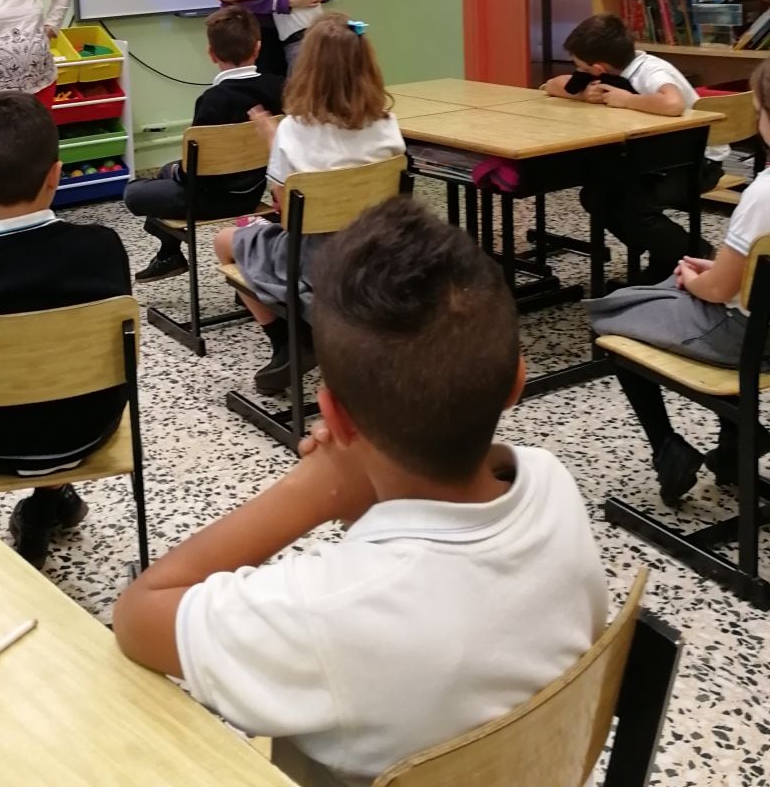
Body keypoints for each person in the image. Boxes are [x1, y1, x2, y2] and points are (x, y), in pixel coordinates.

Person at [115, 198, 608, 787]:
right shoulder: (551, 481)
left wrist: (313, 489)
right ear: (517, 381)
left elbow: (138, 615)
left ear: (334, 418)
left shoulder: (324, 612)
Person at [0, 92, 131, 570]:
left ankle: (40, 509)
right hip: (90, 427)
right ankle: (49, 500)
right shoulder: (103, 247)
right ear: (57, 175)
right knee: (51, 385)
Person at [586, 57, 770, 506]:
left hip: (746, 337)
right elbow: (746, 274)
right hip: (760, 315)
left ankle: (670, 448)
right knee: (660, 292)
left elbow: (719, 292)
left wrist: (693, 278)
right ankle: (734, 448)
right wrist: (727, 273)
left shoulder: (762, 194)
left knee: (611, 313)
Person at [214, 14, 405, 393]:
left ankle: (288, 342)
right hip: (377, 258)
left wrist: (271, 140)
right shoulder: (387, 124)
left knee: (224, 241)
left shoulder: (293, 130)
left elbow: (286, 213)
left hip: (317, 264)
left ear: (308, 68)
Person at [544, 13, 723, 282]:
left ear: (599, 68)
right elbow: (551, 85)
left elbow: (672, 104)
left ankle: (692, 251)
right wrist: (582, 94)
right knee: (595, 195)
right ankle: (663, 252)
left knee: (634, 204)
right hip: (658, 161)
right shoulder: (615, 69)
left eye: (579, 65)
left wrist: (627, 100)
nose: (576, 69)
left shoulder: (651, 71)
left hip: (697, 164)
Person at [124, 6, 284, 282]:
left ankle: (170, 254)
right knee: (166, 171)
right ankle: (168, 254)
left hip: (209, 199)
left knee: (135, 192)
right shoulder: (280, 87)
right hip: (253, 191)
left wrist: (178, 173)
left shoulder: (212, 100)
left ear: (211, 54)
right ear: (258, 48)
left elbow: (194, 173)